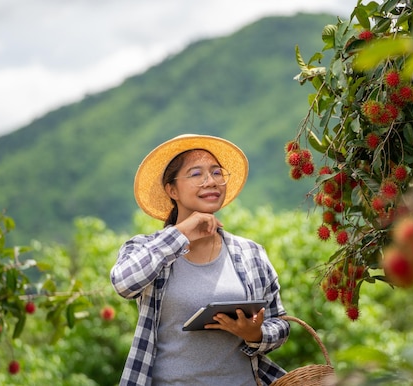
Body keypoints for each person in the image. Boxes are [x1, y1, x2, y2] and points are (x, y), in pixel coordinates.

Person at [110, 134, 289, 386]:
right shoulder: (145, 248)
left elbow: (279, 324)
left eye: (217, 173)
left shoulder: (251, 253)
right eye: (196, 174)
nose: (211, 181)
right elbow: (123, 283)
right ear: (172, 190)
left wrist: (255, 333)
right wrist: (182, 231)